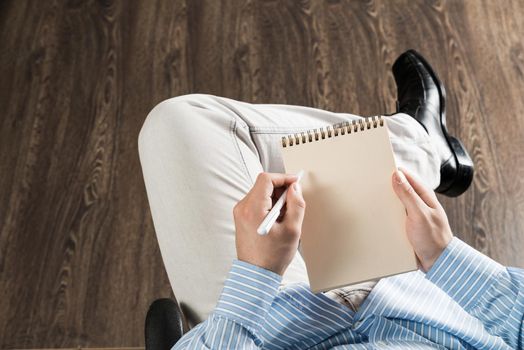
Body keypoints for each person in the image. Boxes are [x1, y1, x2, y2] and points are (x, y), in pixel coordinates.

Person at [138, 50, 523, 349]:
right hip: (421, 299)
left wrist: (256, 275)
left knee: (175, 124)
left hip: (270, 328)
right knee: (193, 124)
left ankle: (418, 144)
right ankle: (420, 143)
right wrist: (444, 256)